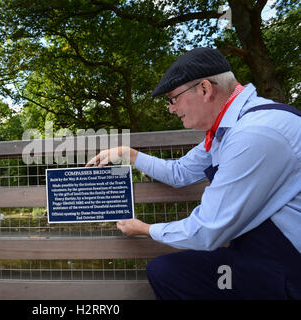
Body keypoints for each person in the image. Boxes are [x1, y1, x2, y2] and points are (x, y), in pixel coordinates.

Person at [86, 47, 301, 299]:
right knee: (169, 271)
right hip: (260, 254)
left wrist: (145, 229)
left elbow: (207, 230)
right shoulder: (229, 128)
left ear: (205, 89)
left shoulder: (253, 135)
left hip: (287, 269)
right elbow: (181, 172)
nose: (171, 109)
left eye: (173, 98)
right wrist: (129, 154)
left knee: (167, 272)